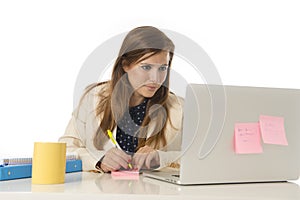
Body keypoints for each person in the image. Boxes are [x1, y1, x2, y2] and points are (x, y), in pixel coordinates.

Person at [59, 26, 184, 172]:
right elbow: (66, 150)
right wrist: (99, 159)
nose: (155, 79)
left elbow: (201, 158)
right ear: (126, 65)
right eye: (146, 67)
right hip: (100, 192)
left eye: (162, 68)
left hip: (153, 194)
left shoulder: (179, 107)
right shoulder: (93, 98)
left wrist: (161, 158)